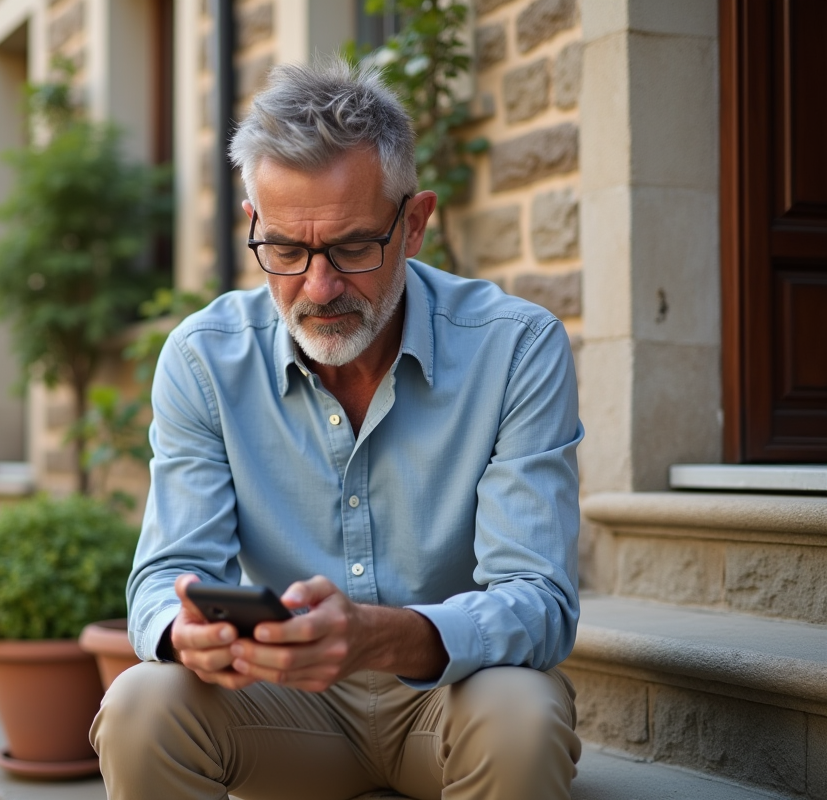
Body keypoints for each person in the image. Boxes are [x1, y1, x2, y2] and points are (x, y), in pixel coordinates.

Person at [91, 57, 583, 800]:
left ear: (414, 223)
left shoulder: (516, 348)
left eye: (354, 247)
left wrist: (383, 634)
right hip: (285, 706)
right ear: (253, 225)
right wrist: (180, 632)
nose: (319, 289)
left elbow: (539, 600)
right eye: (286, 250)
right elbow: (164, 576)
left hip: (448, 700)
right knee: (139, 705)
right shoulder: (203, 359)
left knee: (525, 714)